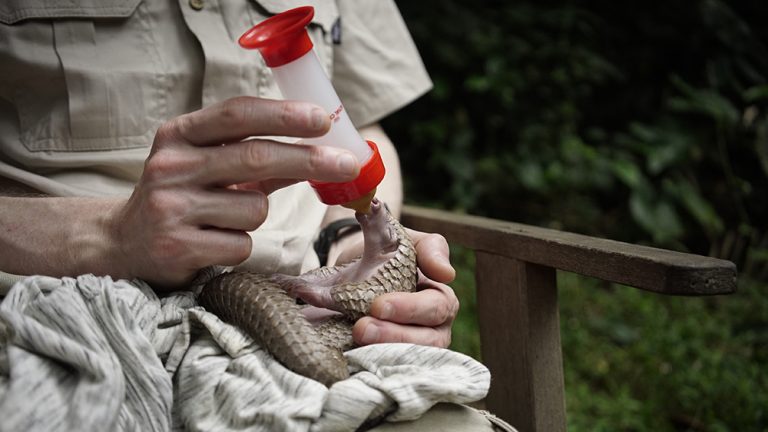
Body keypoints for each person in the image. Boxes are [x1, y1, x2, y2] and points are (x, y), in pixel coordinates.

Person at [0, 1, 516, 431]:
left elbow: (367, 124)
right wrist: (110, 234)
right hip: (64, 303)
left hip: (308, 306)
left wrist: (352, 249)